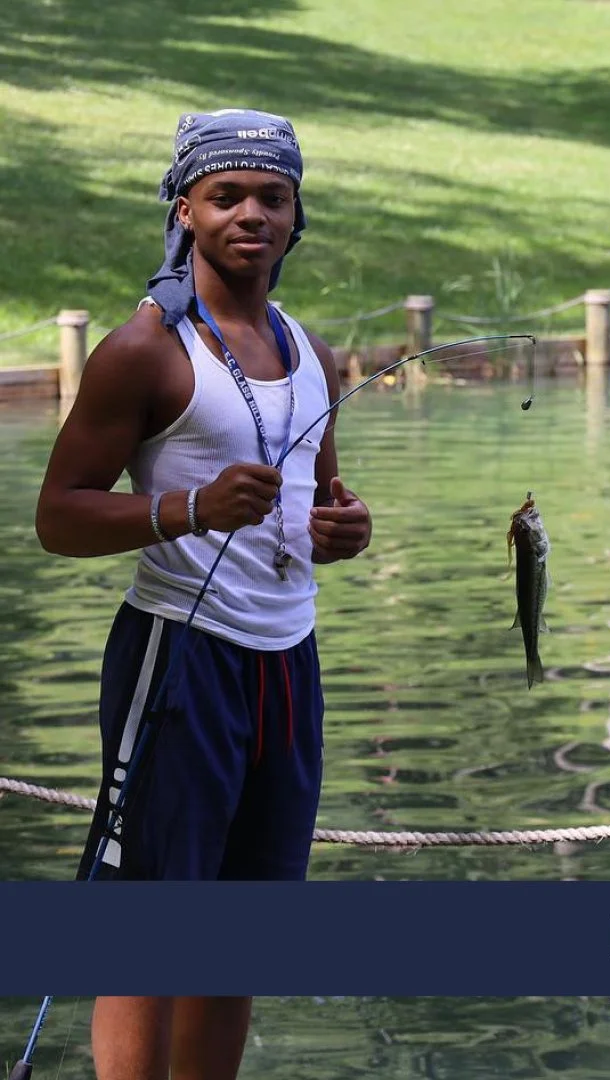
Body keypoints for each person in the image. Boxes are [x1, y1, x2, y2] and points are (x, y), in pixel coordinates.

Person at [33, 108, 371, 1080]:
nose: (251, 214)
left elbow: (317, 500)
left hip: (287, 664)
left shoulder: (312, 351)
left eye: (273, 196)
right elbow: (58, 516)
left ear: (298, 215)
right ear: (186, 209)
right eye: (227, 195)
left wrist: (342, 533)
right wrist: (185, 509)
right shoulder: (146, 350)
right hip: (179, 658)